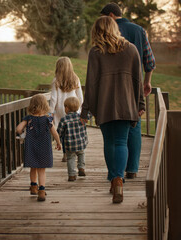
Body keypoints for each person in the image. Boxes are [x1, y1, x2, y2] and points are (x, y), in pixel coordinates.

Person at [80, 16, 145, 203]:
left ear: (97, 31)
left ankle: (114, 178)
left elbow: (91, 84)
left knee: (109, 142)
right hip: (126, 104)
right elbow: (137, 80)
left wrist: (86, 111)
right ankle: (118, 180)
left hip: (105, 105)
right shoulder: (131, 49)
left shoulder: (96, 52)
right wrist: (140, 103)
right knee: (121, 142)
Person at [100, 2, 156, 179]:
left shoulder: (105, 31)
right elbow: (150, 62)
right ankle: (132, 169)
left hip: (109, 89)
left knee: (111, 135)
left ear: (109, 16)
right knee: (134, 127)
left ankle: (115, 174)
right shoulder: (139, 31)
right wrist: (147, 83)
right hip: (134, 86)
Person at [16, 94, 62, 201]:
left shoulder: (28, 118)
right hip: (44, 147)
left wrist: (22, 132)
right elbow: (55, 133)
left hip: (31, 147)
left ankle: (33, 187)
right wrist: (58, 142)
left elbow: (18, 129)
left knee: (33, 167)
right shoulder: (48, 119)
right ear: (45, 106)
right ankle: (41, 191)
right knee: (42, 170)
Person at [49, 57, 83, 162]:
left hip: (61, 109)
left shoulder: (56, 80)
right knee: (73, 132)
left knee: (62, 133)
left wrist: (50, 112)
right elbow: (80, 97)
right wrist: (80, 109)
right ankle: (76, 151)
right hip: (73, 109)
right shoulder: (76, 79)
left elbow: (53, 98)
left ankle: (65, 154)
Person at [58, 97, 88, 182]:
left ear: (67, 108)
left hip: (69, 144)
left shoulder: (64, 119)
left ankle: (71, 175)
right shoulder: (81, 117)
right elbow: (88, 117)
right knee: (81, 154)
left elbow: (59, 131)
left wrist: (58, 140)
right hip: (81, 142)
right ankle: (81, 168)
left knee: (70, 158)